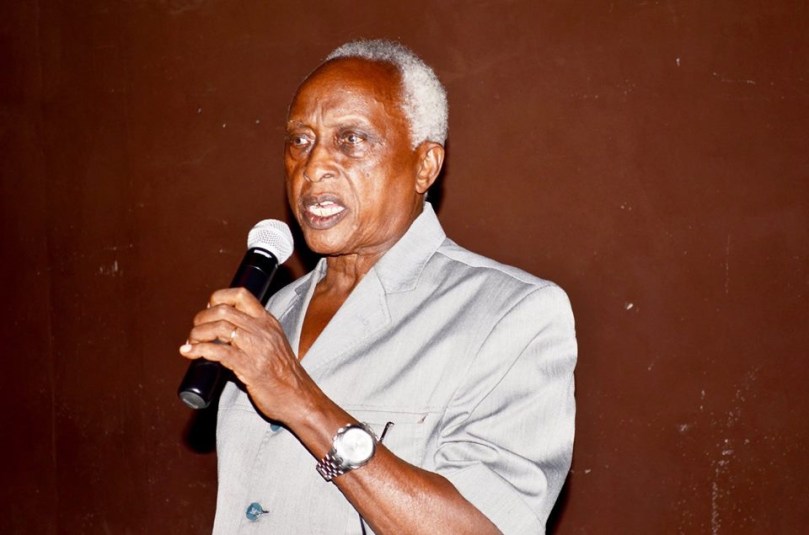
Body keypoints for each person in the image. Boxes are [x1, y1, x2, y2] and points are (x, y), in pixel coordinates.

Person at [179, 39, 577, 534]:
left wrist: (300, 400)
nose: (313, 166)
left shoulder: (511, 315)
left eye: (351, 140)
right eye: (300, 140)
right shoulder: (274, 311)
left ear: (425, 165)